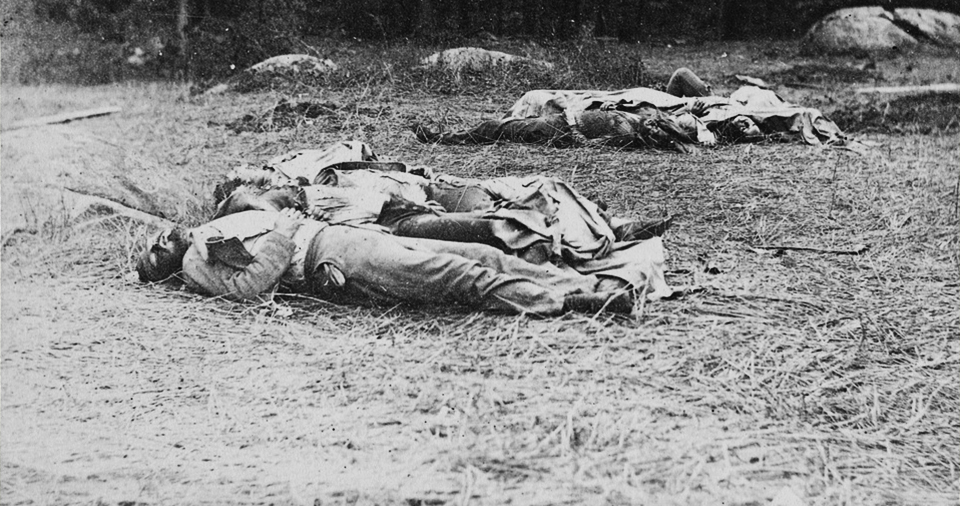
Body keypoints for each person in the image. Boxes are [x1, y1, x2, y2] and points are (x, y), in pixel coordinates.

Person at [137, 207, 647, 316]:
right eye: (157, 250)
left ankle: (587, 279)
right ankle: (571, 301)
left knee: (478, 252)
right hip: (330, 257)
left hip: (345, 237)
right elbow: (250, 285)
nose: (164, 239)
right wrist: (287, 228)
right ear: (167, 269)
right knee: (457, 276)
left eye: (158, 236)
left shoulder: (204, 234)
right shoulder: (197, 264)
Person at [415, 67, 844, 149]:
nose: (749, 123)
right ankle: (449, 136)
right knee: (509, 126)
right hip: (623, 109)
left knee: (508, 128)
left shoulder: (701, 130)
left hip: (584, 125)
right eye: (748, 121)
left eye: (747, 126)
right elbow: (679, 82)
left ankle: (447, 137)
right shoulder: (709, 109)